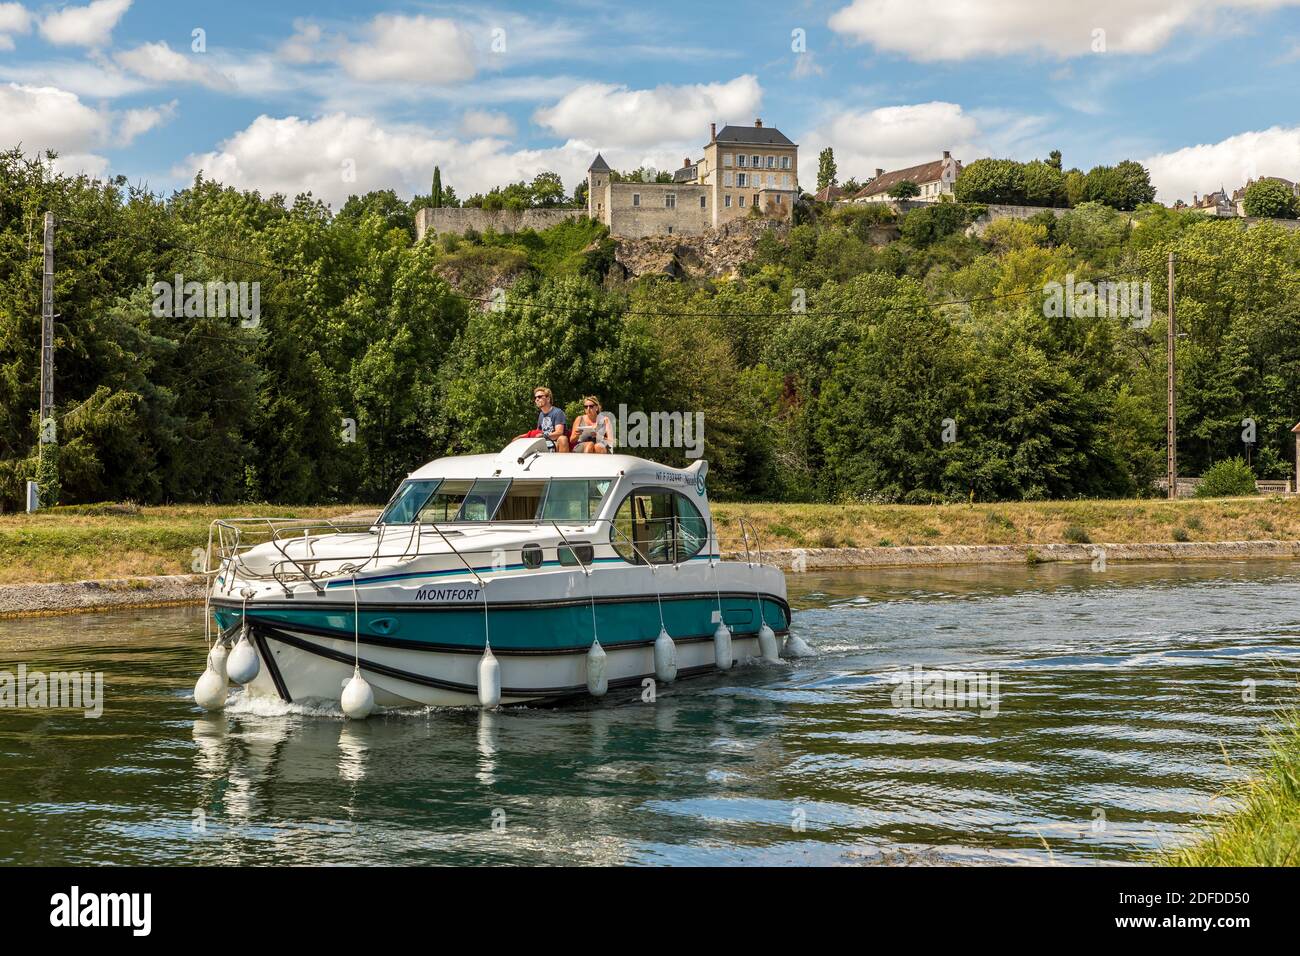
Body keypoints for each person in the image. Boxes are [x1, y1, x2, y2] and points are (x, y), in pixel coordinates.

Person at [533, 386, 569, 452]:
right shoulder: (541, 415)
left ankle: (563, 462)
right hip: (544, 443)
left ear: (548, 399)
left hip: (555, 443)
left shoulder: (558, 412)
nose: (537, 399)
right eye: (535, 397)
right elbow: (538, 431)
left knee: (562, 439)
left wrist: (544, 436)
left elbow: (559, 433)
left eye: (540, 397)